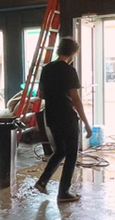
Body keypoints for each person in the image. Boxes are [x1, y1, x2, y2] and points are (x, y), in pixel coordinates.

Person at [33, 37, 92, 202]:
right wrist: (87, 124)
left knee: (60, 150)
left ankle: (43, 181)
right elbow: (76, 99)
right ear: (73, 53)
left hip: (50, 115)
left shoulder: (46, 69)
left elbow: (41, 95)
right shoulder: (69, 71)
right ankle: (63, 192)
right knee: (71, 154)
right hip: (67, 117)